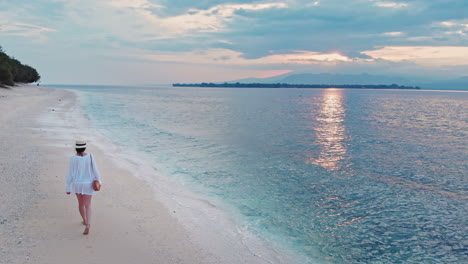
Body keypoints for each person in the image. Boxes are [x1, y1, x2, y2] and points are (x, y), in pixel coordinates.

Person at [66, 140, 102, 235]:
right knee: (88, 205)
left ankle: (84, 220)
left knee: (81, 204)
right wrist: (99, 181)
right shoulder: (90, 156)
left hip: (77, 184)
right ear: (85, 148)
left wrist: (68, 187)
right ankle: (88, 225)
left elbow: (70, 174)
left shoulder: (73, 158)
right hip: (88, 184)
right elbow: (95, 170)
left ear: (76, 148)